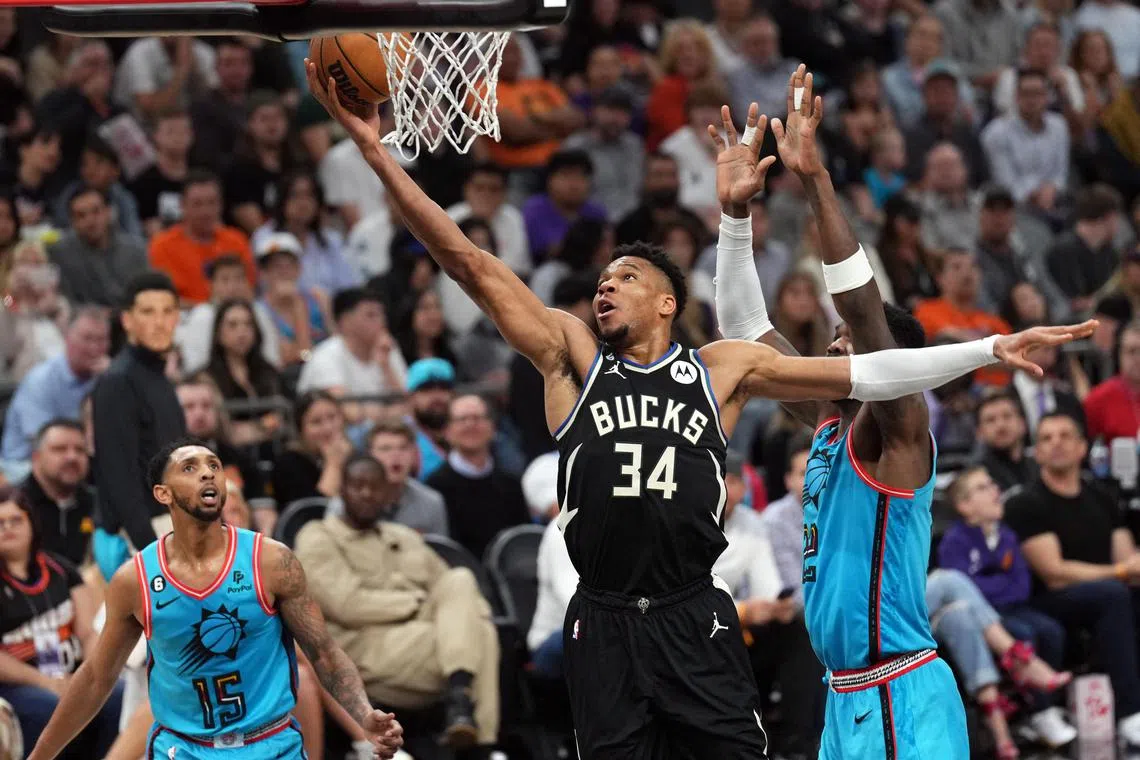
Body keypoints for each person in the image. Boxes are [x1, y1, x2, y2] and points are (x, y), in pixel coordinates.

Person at [306, 58, 1090, 760]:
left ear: (666, 301)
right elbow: (470, 264)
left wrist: (986, 349)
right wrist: (376, 152)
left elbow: (873, 360)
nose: (605, 285)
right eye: (602, 277)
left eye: (625, 276)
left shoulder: (762, 385)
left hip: (728, 628)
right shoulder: (574, 357)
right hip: (615, 621)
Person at [710, 66, 1092, 759]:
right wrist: (735, 218)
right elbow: (744, 335)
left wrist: (816, 180)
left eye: (844, 344)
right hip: (844, 695)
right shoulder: (825, 424)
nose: (829, 348)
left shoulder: (895, 429)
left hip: (900, 690)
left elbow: (859, 306)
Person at [24, 439, 403, 760]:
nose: (207, 473)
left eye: (214, 466)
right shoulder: (134, 579)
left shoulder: (271, 561)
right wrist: (40, 755)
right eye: (189, 468)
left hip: (270, 744)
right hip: (184, 748)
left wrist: (363, 714)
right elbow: (95, 678)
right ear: (163, 493)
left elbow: (323, 653)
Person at [296, 454, 499, 750]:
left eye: (374, 487)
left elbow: (455, 591)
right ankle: (483, 745)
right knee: (481, 636)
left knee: (461, 579)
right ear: (342, 490)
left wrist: (470, 617)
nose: (366, 493)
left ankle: (461, 702)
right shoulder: (318, 536)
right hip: (368, 648)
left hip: (429, 638)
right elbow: (348, 605)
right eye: (357, 486)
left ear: (388, 494)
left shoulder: (404, 536)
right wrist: (416, 602)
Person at [1004, 411, 1140, 745]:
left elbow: (1127, 560)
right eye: (1047, 438)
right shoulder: (1026, 502)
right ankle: (1129, 714)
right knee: (1112, 595)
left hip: (1104, 592)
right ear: (1038, 451)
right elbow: (1054, 572)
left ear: (1082, 448)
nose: (1056, 444)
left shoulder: (1102, 496)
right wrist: (1120, 573)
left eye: (1065, 436)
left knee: (1123, 595)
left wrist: (1127, 570)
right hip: (1047, 600)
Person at [0, 487, 119, 760]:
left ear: (32, 523)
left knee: (116, 695)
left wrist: (92, 677)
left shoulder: (61, 570)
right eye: (0, 523)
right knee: (47, 708)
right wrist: (46, 682)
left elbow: (88, 633)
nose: (8, 528)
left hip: (72, 675)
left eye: (16, 520)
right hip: (19, 686)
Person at [90, 271, 186, 582]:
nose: (159, 322)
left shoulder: (159, 379)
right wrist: (153, 554)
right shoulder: (118, 381)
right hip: (139, 538)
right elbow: (119, 476)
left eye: (167, 311)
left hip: (168, 527)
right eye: (147, 312)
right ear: (127, 320)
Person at [20, 420, 96, 567]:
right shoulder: (15, 506)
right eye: (60, 449)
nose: (72, 457)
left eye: (80, 450)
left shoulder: (99, 505)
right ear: (36, 457)